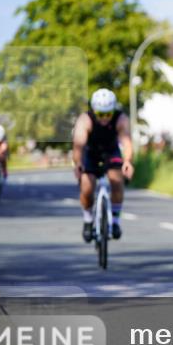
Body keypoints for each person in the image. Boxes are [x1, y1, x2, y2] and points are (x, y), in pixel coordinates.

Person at [72, 89, 134, 242]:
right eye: (101, 114)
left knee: (117, 181)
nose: (105, 118)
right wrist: (78, 163)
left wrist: (127, 161)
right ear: (94, 110)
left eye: (108, 114)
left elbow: (126, 142)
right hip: (91, 153)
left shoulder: (121, 119)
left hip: (111, 152)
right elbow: (78, 145)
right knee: (87, 187)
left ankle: (115, 222)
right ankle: (88, 220)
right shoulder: (85, 120)